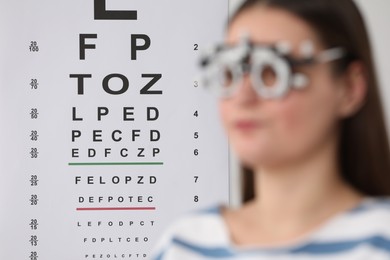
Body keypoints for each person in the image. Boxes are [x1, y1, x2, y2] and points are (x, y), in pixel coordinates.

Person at [150, 0, 390, 259]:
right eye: (229, 71)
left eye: (271, 71)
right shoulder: (183, 245)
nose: (242, 96)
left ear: (350, 88)